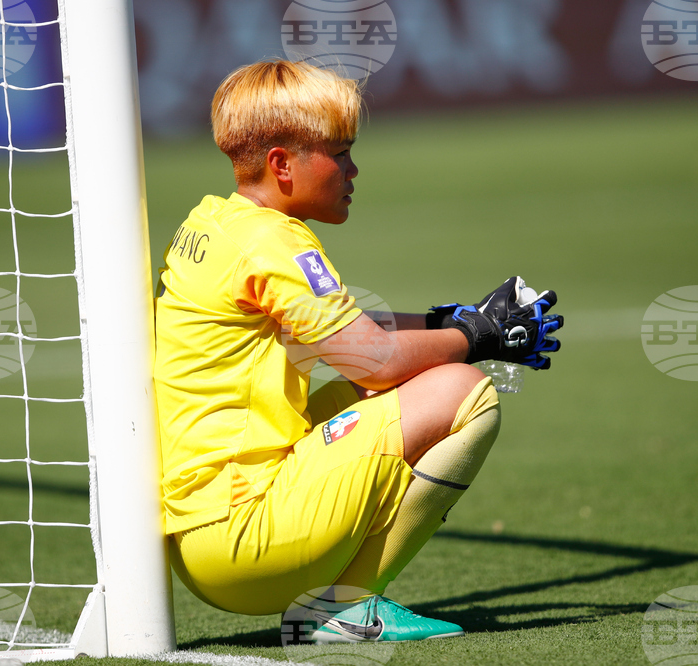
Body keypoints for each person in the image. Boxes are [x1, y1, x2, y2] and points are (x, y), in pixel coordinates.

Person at [153, 59, 562, 643]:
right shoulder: (273, 243)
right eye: (340, 153)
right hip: (243, 535)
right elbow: (375, 360)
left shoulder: (218, 221)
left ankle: (334, 603)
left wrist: (452, 322)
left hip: (202, 533)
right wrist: (482, 337)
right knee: (463, 393)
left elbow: (348, 331)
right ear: (282, 164)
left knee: (413, 380)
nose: (353, 170)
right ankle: (344, 607)